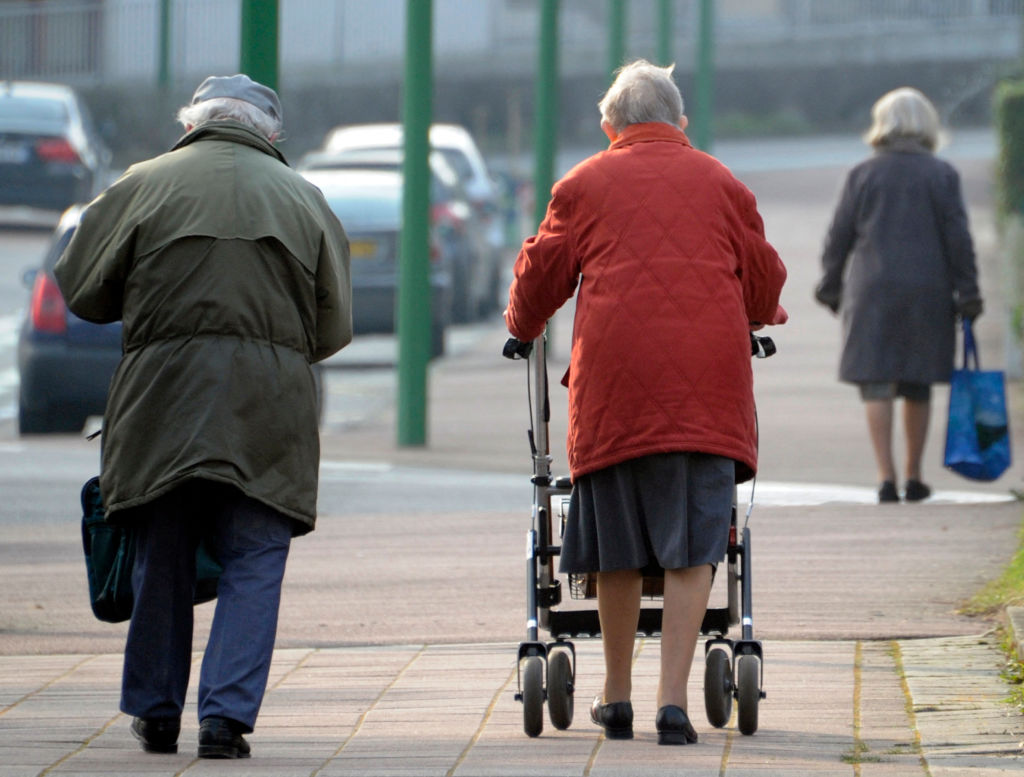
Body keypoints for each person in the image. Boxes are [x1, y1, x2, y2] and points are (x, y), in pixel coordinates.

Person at [54, 74, 352, 759]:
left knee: (162, 550)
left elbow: (82, 288)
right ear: (270, 135)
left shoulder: (142, 183)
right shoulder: (304, 199)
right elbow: (333, 327)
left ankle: (155, 711)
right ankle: (225, 717)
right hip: (267, 406)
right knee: (255, 554)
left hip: (162, 401)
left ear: (191, 124)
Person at [504, 59, 787, 745]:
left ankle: (617, 694)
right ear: (680, 122)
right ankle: (673, 703)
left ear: (610, 127)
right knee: (695, 547)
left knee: (619, 548)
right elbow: (763, 278)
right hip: (708, 390)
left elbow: (540, 278)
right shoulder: (722, 182)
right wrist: (755, 310)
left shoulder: (583, 183)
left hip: (614, 392)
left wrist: (521, 327)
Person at [814, 87, 982, 504]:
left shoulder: (863, 174)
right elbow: (958, 239)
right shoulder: (942, 174)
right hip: (928, 291)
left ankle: (885, 477)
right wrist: (969, 291)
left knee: (876, 383)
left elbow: (839, 236)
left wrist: (830, 285)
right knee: (917, 383)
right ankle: (914, 475)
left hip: (872, 290)